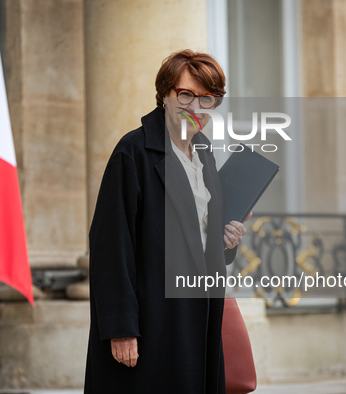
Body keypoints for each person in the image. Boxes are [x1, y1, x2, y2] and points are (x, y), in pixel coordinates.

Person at [84, 49, 251, 394]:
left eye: (207, 99)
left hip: (197, 315)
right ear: (164, 95)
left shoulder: (204, 154)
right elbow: (110, 244)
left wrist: (225, 242)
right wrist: (121, 327)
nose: (196, 108)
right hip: (152, 320)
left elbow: (195, 236)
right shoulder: (133, 152)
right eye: (186, 94)